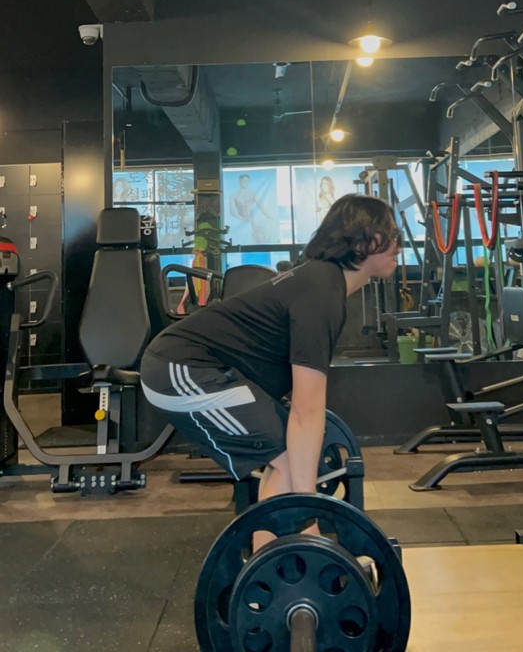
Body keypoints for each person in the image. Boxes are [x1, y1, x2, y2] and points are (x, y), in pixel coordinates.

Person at [140, 194, 400, 549]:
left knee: (288, 458)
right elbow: (306, 411)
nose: (398, 244)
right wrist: (308, 513)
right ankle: (285, 564)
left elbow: (302, 413)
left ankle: (271, 563)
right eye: (390, 234)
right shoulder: (321, 291)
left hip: (200, 367)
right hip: (180, 369)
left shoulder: (322, 283)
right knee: (292, 463)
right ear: (361, 241)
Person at [229, 173, 274, 243]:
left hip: (252, 221)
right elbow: (232, 211)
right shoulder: (234, 196)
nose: (246, 183)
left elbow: (261, 206)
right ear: (240, 181)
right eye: (244, 181)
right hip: (240, 222)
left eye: (247, 181)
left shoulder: (252, 194)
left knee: (259, 238)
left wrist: (270, 216)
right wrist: (242, 219)